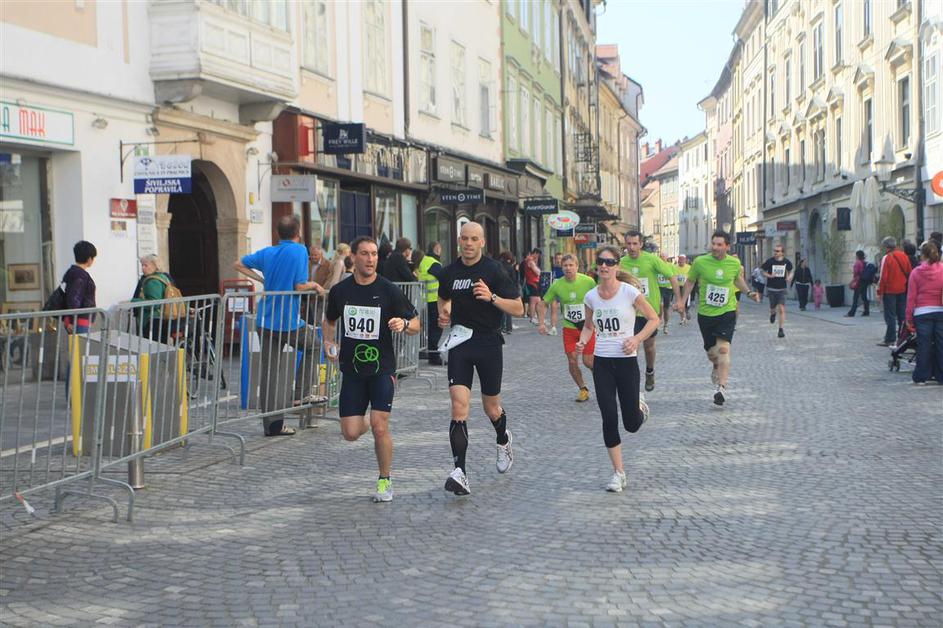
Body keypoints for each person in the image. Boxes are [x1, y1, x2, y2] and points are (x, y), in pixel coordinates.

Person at [322, 236, 420, 502]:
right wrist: (328, 342)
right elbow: (329, 320)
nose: (370, 259)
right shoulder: (341, 291)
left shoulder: (388, 290)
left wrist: (403, 324)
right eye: (365, 254)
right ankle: (368, 420)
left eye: (374, 254)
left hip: (382, 368)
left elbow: (416, 324)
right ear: (353, 257)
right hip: (352, 370)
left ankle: (384, 480)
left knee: (380, 427)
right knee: (350, 433)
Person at [437, 222, 523, 496]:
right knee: (458, 406)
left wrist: (492, 296)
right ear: (459, 240)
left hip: (488, 343)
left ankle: (503, 438)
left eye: (474, 239)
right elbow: (443, 298)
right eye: (464, 238)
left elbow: (518, 308)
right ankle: (460, 472)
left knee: (491, 408)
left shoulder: (494, 270)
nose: (468, 243)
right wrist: (444, 313)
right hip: (460, 343)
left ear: (482, 242)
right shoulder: (449, 272)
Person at [574, 245, 659, 492]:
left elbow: (654, 319)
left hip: (626, 362)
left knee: (631, 424)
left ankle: (639, 408)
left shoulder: (629, 292)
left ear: (617, 266)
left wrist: (637, 339)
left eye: (609, 262)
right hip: (602, 362)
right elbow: (588, 326)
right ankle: (618, 473)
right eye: (601, 261)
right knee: (609, 416)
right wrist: (582, 341)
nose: (604, 266)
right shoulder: (591, 296)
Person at [234, 215, 324, 437]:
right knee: (313, 344)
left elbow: (238, 264)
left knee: (269, 373)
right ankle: (302, 394)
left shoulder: (267, 252)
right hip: (287, 321)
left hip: (265, 321)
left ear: (278, 233)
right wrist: (315, 285)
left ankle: (273, 426)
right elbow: (300, 286)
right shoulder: (299, 251)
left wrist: (262, 280)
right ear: (298, 232)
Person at [680, 230, 759, 406]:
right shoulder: (700, 262)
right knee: (712, 353)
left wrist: (749, 292)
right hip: (706, 314)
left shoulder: (734, 263)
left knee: (723, 349)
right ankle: (715, 365)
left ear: (727, 246)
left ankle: (721, 388)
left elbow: (737, 280)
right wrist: (682, 302)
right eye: (713, 244)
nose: (715, 247)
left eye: (719, 244)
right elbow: (690, 282)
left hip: (727, 311)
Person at [618, 230, 682, 392]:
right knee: (631, 347)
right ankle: (632, 382)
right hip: (629, 312)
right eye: (629, 244)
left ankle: (650, 371)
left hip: (649, 312)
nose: (632, 247)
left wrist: (679, 300)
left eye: (635, 244)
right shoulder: (621, 262)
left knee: (649, 346)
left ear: (641, 244)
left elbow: (671, 276)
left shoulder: (652, 259)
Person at [538, 254, 597, 402]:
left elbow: (600, 298)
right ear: (561, 267)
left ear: (577, 267)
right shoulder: (557, 285)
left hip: (587, 326)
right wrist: (541, 323)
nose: (568, 268)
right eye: (565, 266)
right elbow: (543, 303)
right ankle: (583, 389)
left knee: (589, 361)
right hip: (569, 327)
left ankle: (603, 380)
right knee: (572, 360)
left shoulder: (588, 281)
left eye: (571, 265)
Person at [905, 241, 943, 385]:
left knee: (924, 345)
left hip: (922, 312)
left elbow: (911, 297)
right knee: (941, 344)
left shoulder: (916, 272)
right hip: (940, 311)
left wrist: (908, 317)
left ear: (922, 255)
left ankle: (921, 376)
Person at [877, 236, 912, 347]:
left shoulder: (887, 258)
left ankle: (890, 338)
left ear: (886, 246)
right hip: (902, 289)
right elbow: (909, 272)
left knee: (890, 316)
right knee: (902, 315)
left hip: (889, 291)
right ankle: (902, 337)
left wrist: (879, 292)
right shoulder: (904, 255)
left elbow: (883, 277)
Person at [130, 254, 176, 340]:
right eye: (142, 265)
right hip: (163, 317)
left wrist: (133, 301)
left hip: (153, 319)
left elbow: (154, 303)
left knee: (153, 345)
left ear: (155, 265)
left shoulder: (152, 281)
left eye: (146, 265)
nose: (143, 268)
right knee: (161, 345)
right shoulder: (164, 277)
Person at [416, 242, 445, 364]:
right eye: (440, 248)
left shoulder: (424, 261)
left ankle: (431, 353)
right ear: (436, 249)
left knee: (431, 327)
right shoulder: (434, 263)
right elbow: (444, 278)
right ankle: (434, 355)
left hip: (427, 300)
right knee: (437, 327)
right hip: (435, 300)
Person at [63, 240, 97, 334]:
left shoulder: (71, 272)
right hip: (79, 321)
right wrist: (71, 321)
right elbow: (74, 298)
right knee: (81, 343)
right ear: (89, 259)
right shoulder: (81, 275)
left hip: (74, 320)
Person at [761, 244, 794, 338]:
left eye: (778, 251)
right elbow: (762, 271)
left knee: (782, 308)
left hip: (782, 289)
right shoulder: (770, 261)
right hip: (771, 288)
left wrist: (789, 277)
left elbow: (791, 271)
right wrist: (769, 275)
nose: (775, 252)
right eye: (775, 251)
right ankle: (773, 314)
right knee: (773, 307)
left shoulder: (786, 262)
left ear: (782, 253)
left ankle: (781, 329)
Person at [845, 251, 871, 317]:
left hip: (858, 282)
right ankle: (866, 311)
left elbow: (856, 272)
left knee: (855, 298)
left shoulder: (857, 263)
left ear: (857, 256)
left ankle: (851, 313)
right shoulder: (864, 262)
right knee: (864, 297)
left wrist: (853, 280)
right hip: (864, 281)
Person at [497, 252, 518, 334]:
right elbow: (514, 279)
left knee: (501, 308)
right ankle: (509, 328)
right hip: (509, 289)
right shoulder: (510, 267)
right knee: (508, 309)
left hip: (500, 289)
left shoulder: (498, 266)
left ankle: (502, 327)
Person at [656, 255, 676, 334]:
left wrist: (675, 288)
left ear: (666, 258)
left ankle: (666, 325)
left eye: (663, 257)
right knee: (660, 305)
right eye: (660, 256)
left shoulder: (671, 266)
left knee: (666, 309)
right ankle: (659, 320)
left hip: (668, 289)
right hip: (659, 288)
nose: (661, 258)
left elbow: (674, 277)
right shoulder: (656, 265)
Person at [524, 249, 542, 325]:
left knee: (538, 300)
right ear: (535, 253)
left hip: (534, 282)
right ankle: (532, 318)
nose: (538, 257)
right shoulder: (530, 260)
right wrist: (538, 269)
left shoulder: (531, 260)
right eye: (538, 255)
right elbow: (538, 272)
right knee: (534, 301)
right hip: (532, 282)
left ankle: (539, 318)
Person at [674, 255, 691, 324]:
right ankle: (683, 319)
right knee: (679, 303)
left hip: (686, 287)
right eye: (679, 259)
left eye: (682, 259)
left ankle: (687, 310)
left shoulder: (689, 267)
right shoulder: (675, 267)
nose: (680, 260)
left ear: (685, 260)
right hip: (678, 287)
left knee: (686, 303)